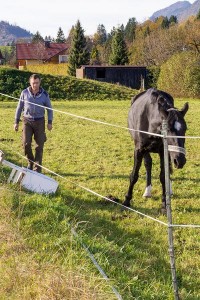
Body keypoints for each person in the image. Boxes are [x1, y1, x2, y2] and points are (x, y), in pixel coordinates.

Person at [14, 74, 53, 173]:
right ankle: (30, 162)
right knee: (26, 143)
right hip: (27, 121)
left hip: (40, 122)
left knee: (39, 146)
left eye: (37, 83)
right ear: (30, 82)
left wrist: (50, 122)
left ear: (40, 82)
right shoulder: (24, 93)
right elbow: (19, 108)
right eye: (33, 83)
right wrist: (16, 122)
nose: (35, 85)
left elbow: (49, 109)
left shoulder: (45, 94)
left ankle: (37, 169)